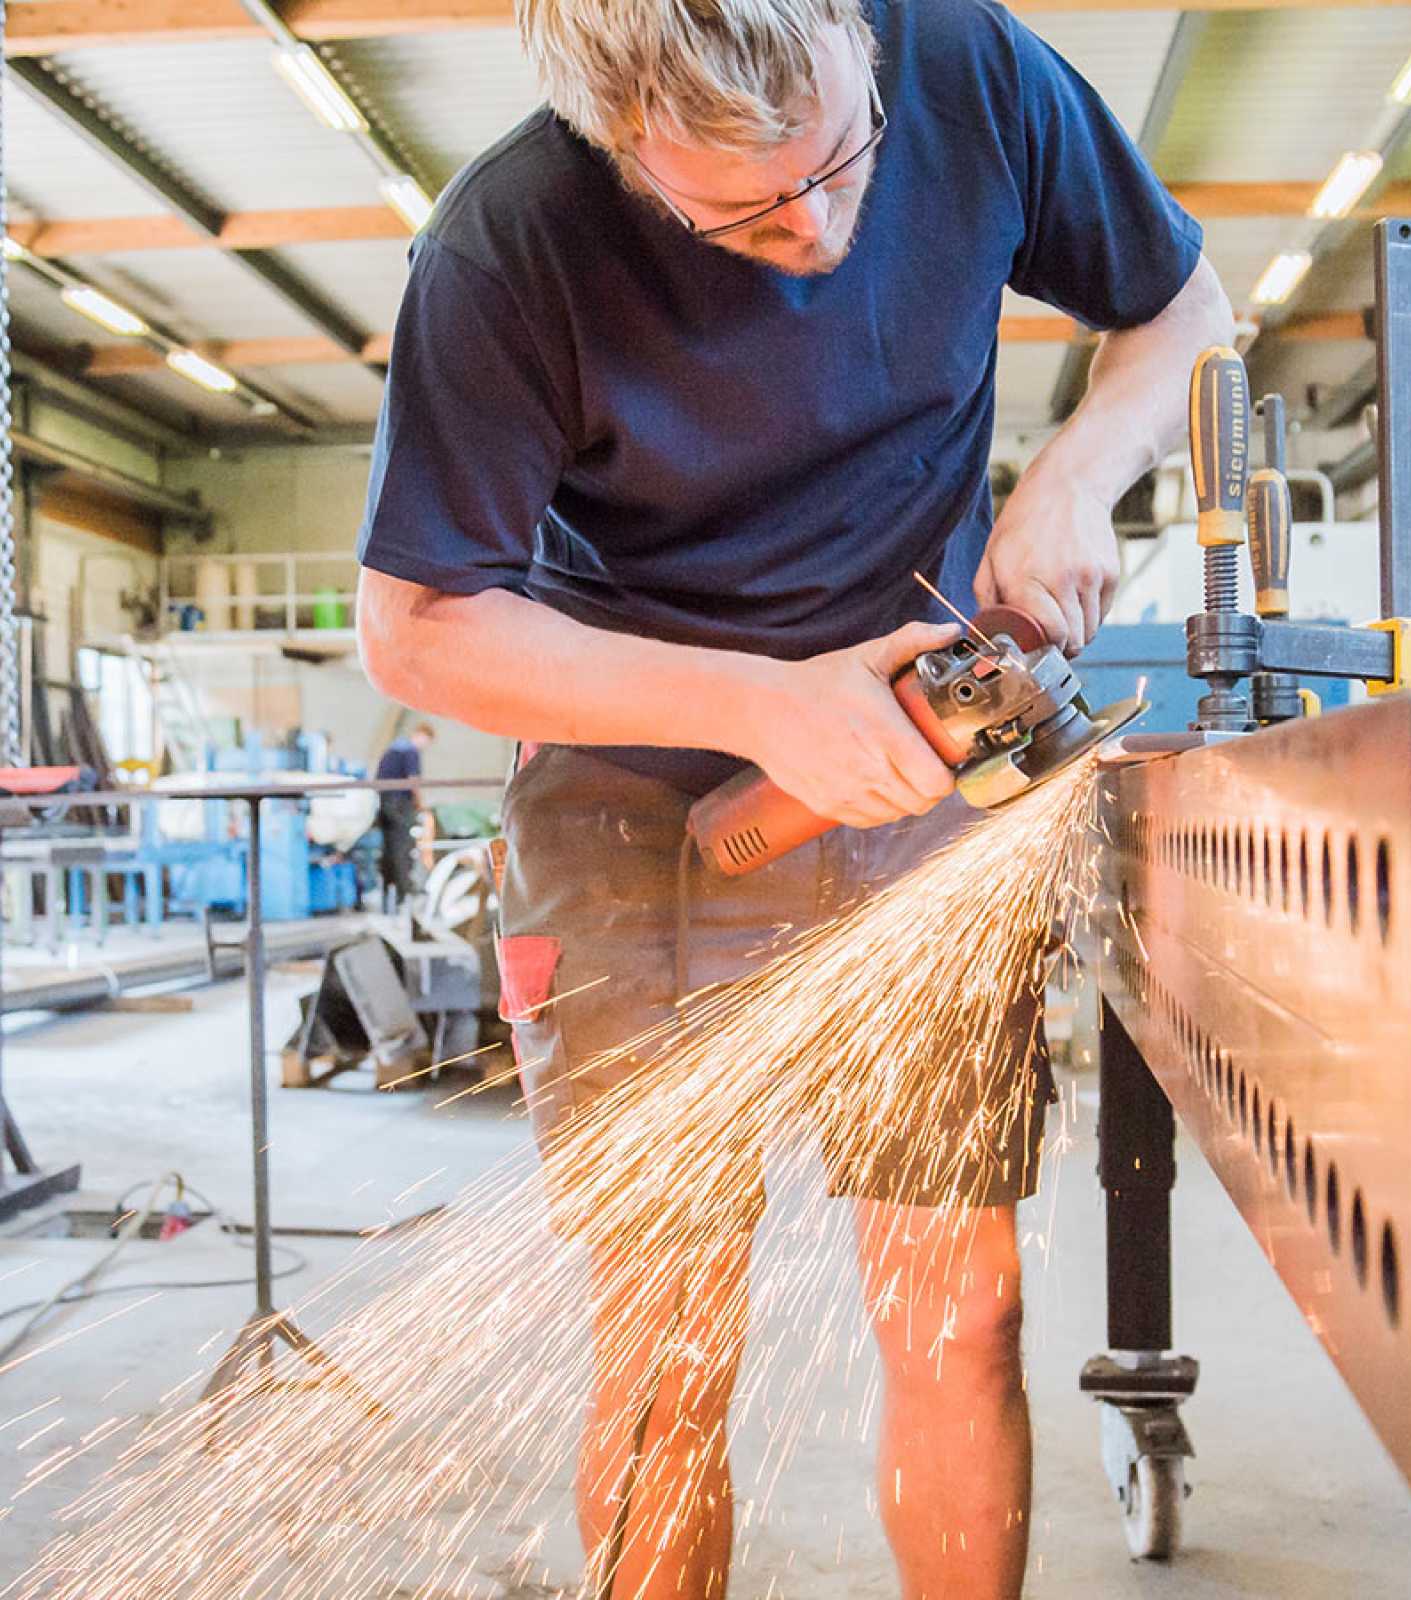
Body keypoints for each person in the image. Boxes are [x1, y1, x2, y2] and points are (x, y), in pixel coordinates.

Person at [351, 0, 1231, 1594]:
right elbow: (415, 627)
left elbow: (1185, 306)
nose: (816, 234)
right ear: (620, 144)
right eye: (744, 215)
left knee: (961, 1311)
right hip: (632, 795)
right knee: (670, 1340)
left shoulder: (964, 64)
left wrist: (1075, 477)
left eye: (840, 165)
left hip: (921, 757)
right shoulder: (506, 245)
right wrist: (760, 704)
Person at [372, 722, 434, 912]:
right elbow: (413, 781)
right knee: (402, 847)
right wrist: (420, 803)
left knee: (389, 849)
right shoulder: (410, 751)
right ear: (421, 735)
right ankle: (404, 893)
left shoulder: (393, 749)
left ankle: (388, 897)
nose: (425, 746)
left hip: (385, 802)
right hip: (399, 804)